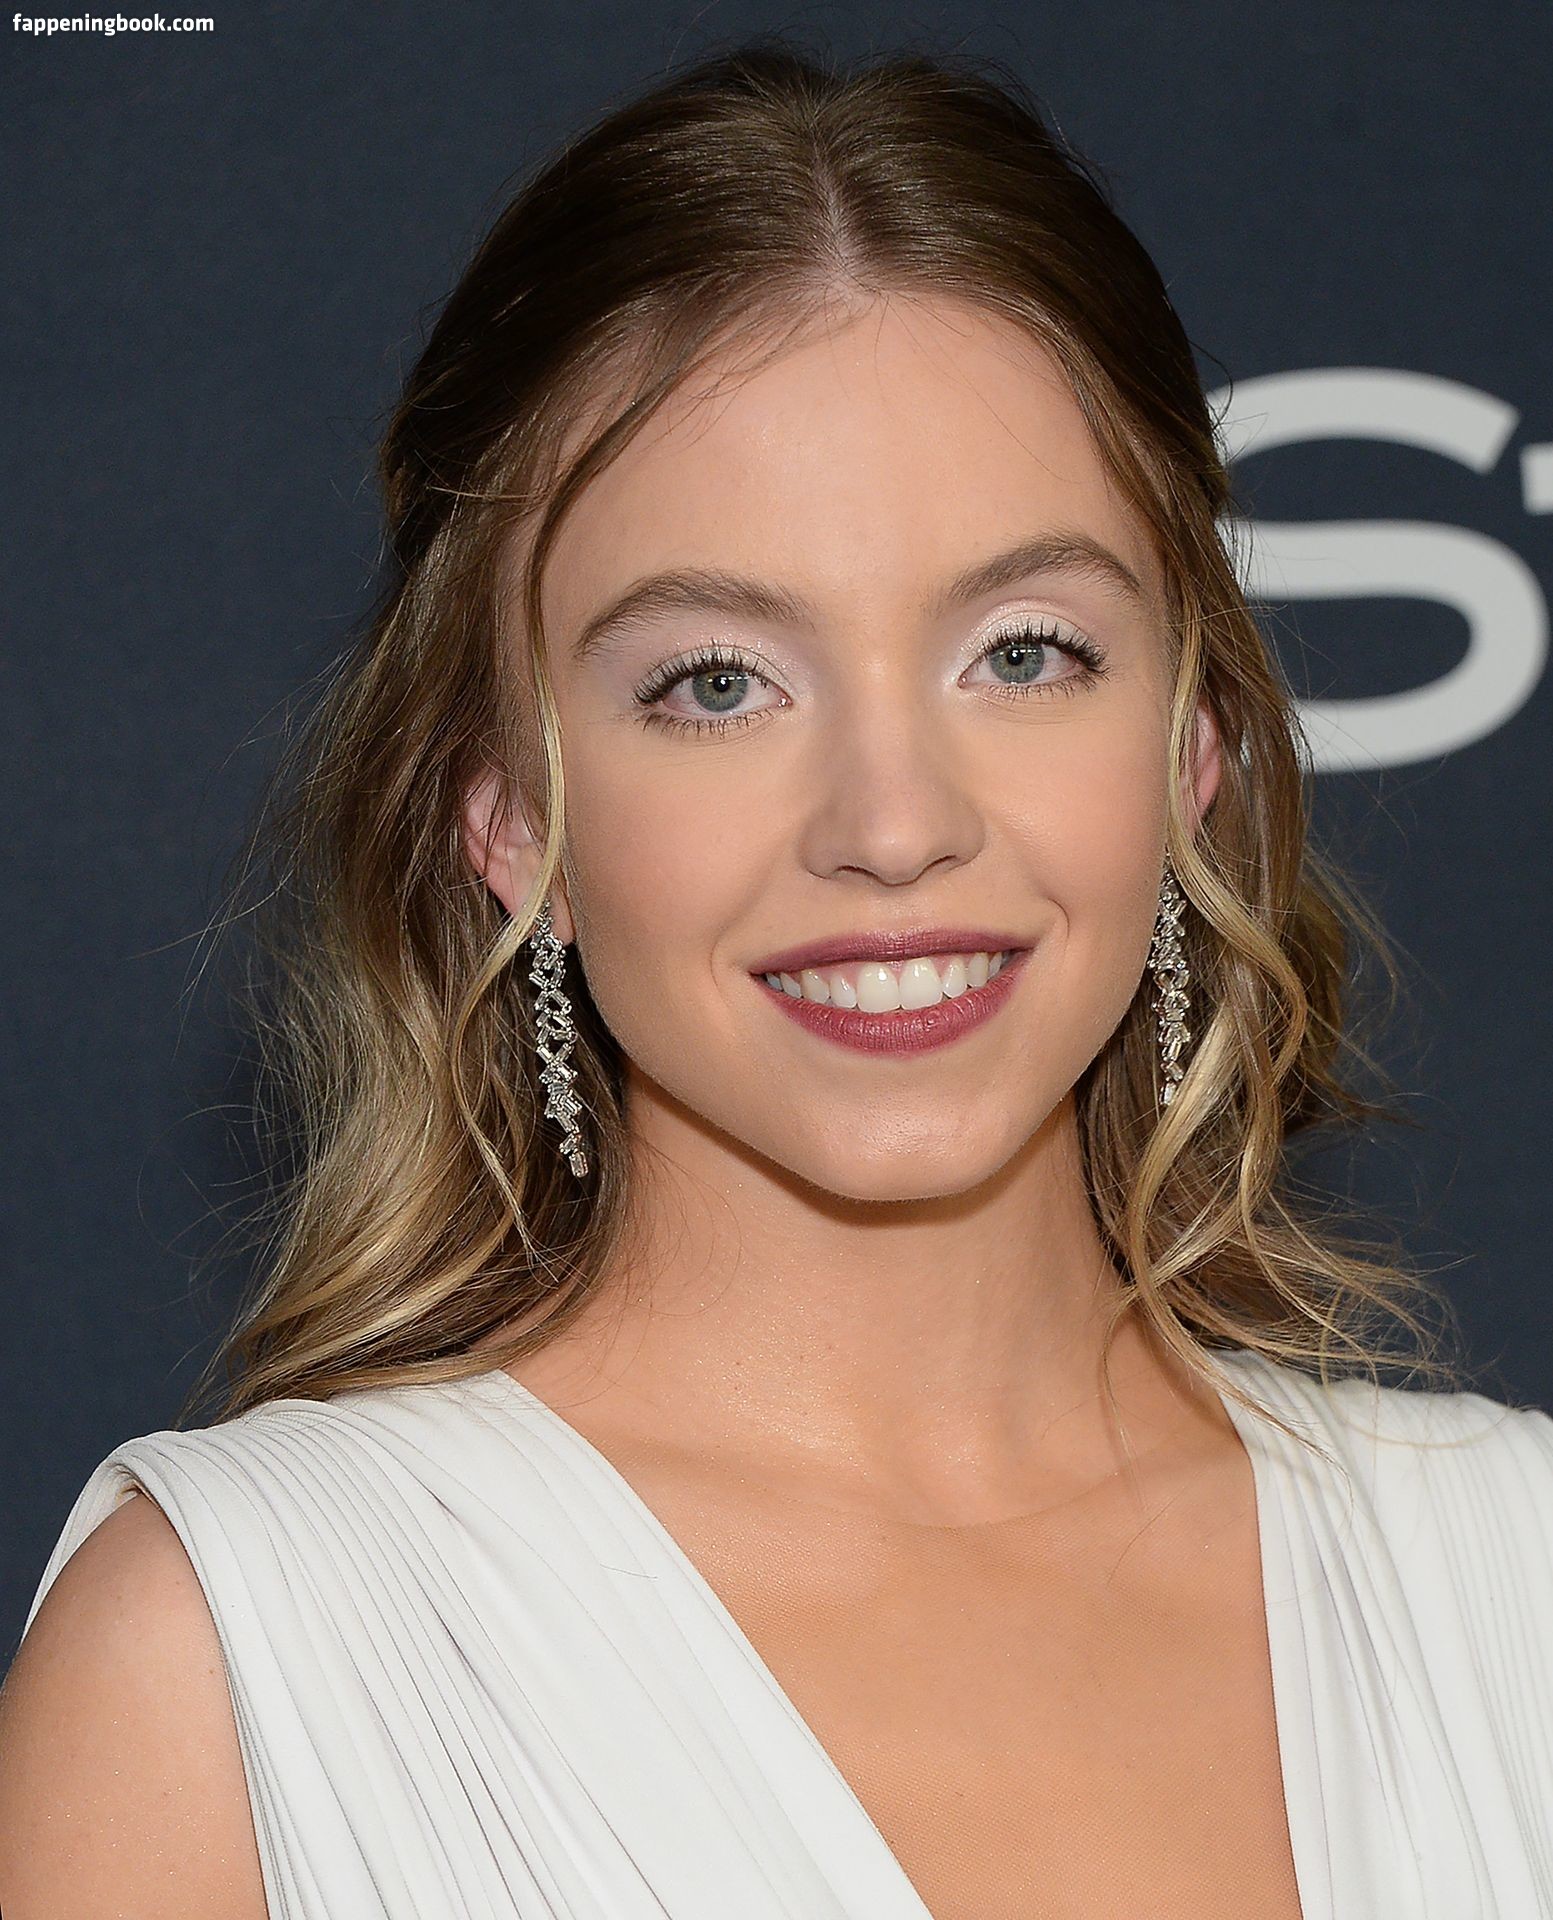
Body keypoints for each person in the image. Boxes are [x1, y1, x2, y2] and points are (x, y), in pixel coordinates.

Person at [2, 38, 1550, 1920]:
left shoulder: (1514, 1582)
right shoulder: (231, 1671)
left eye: (1025, 652)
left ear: (1194, 746)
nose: (891, 825)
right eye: (717, 682)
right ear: (511, 820)